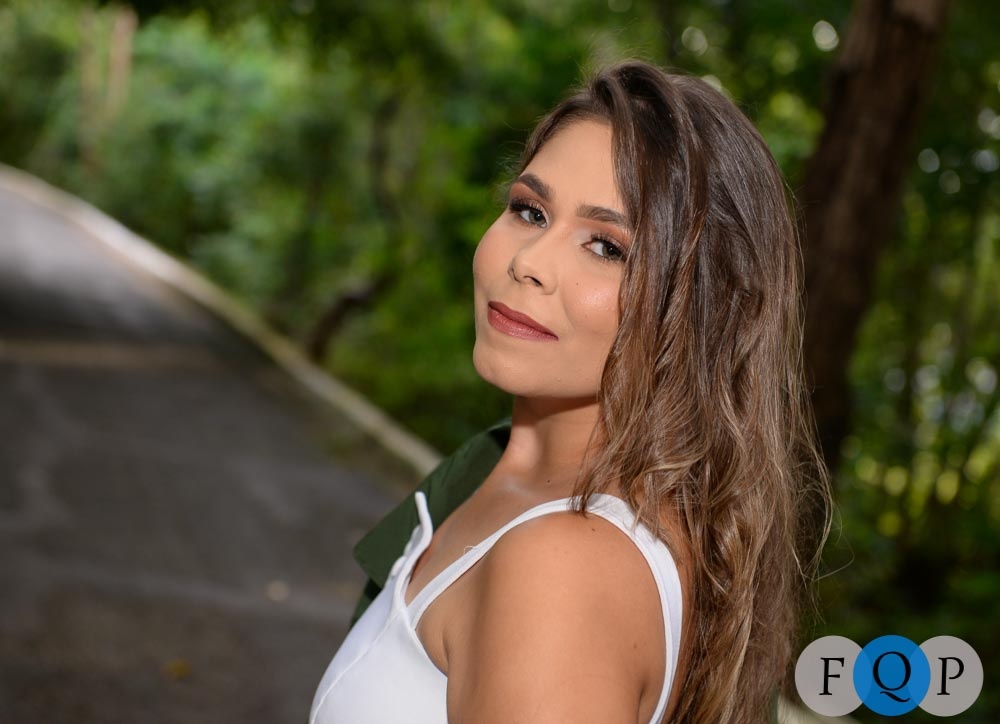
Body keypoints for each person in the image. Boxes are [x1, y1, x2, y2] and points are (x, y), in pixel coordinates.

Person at [310, 60, 831, 723]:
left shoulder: (562, 567)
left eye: (607, 247)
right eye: (530, 210)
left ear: (705, 312)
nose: (528, 262)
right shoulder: (497, 483)